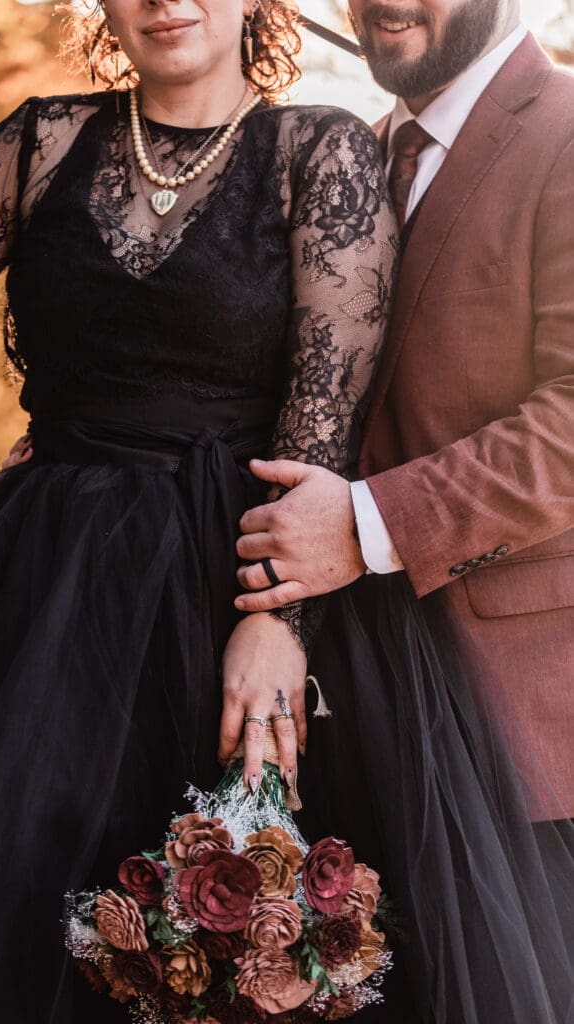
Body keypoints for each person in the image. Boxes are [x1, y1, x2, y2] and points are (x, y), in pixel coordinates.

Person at [0, 1, 398, 1021]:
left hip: (230, 592)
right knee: (27, 930)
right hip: (42, 603)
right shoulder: (41, 141)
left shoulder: (318, 152)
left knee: (226, 946)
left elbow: (320, 421)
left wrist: (277, 620)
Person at [235, 1, 574, 1021]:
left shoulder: (564, 134)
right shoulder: (355, 155)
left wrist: (367, 523)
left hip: (526, 735)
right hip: (347, 718)